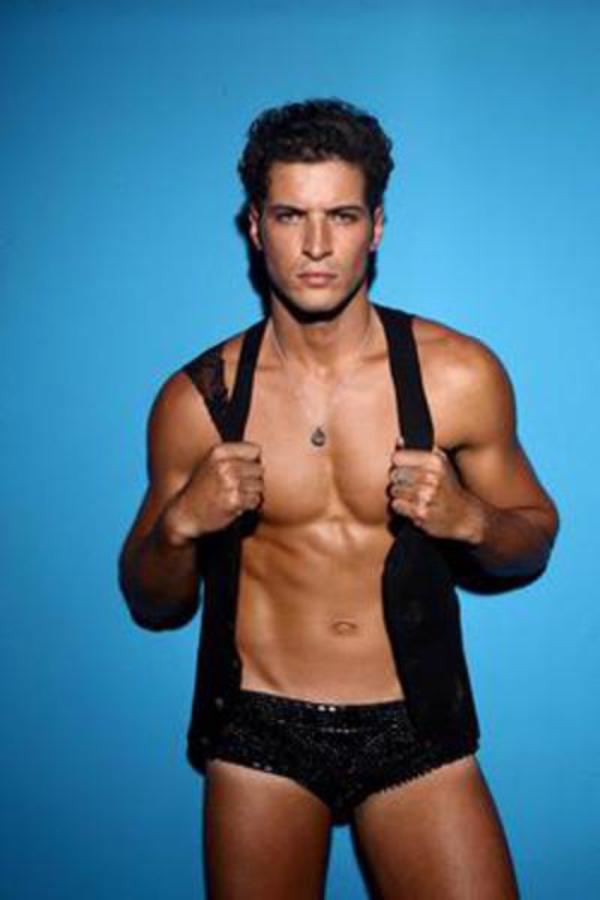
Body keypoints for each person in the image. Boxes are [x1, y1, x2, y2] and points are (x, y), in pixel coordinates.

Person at [119, 99, 558, 899]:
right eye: (291, 216)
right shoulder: (197, 400)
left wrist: (472, 520)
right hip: (260, 732)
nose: (317, 246)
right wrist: (179, 527)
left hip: (414, 726)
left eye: (342, 216)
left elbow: (534, 538)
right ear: (256, 228)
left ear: (375, 227)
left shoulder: (457, 375)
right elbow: (152, 600)